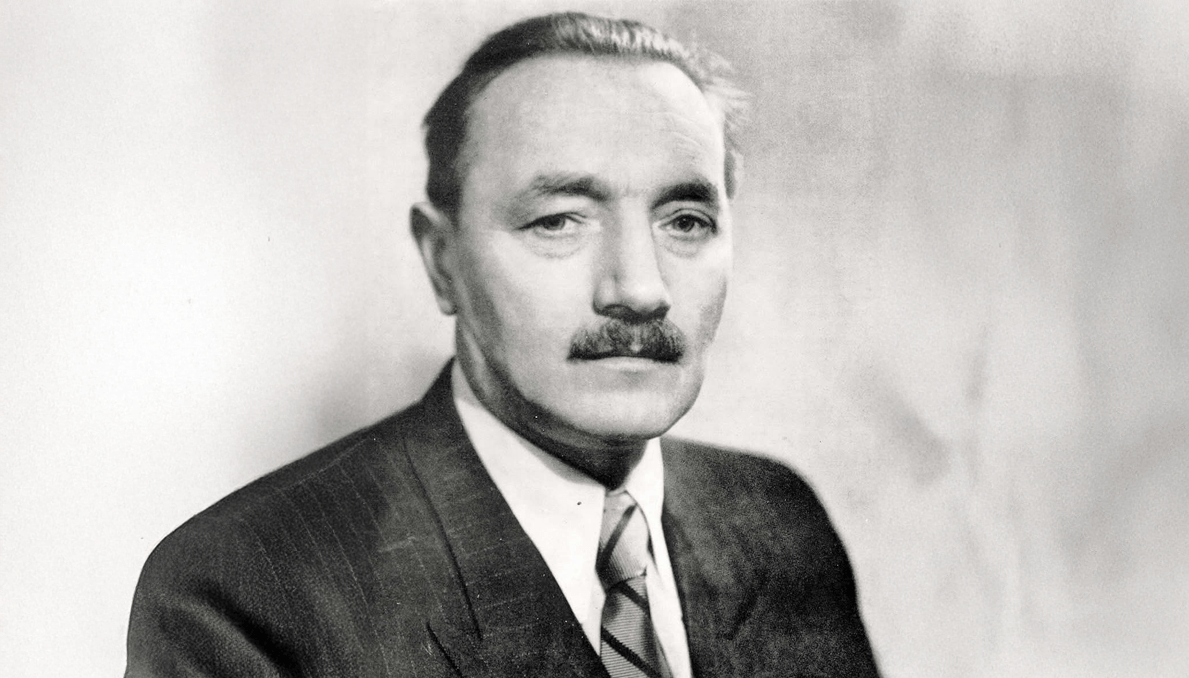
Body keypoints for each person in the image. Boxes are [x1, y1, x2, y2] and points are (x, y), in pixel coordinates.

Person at [125, 12, 879, 678]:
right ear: (442, 260)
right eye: (558, 221)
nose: (640, 288)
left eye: (684, 221)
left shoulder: (776, 521)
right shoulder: (246, 591)